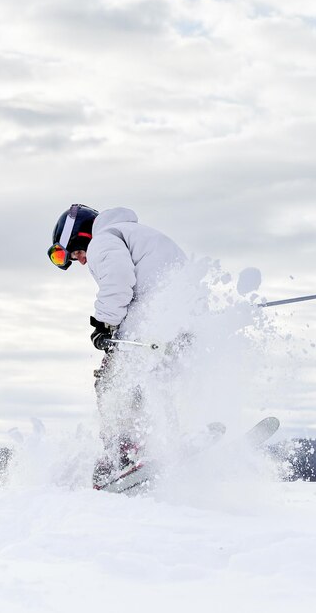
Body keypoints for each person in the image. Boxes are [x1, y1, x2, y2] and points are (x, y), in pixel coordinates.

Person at [47, 204, 187, 484]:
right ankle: (168, 442)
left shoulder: (103, 240)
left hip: (153, 322)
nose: (81, 261)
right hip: (183, 322)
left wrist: (103, 325)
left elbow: (118, 281)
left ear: (81, 235)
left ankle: (126, 452)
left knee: (111, 382)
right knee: (156, 382)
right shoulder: (136, 234)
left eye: (75, 253)